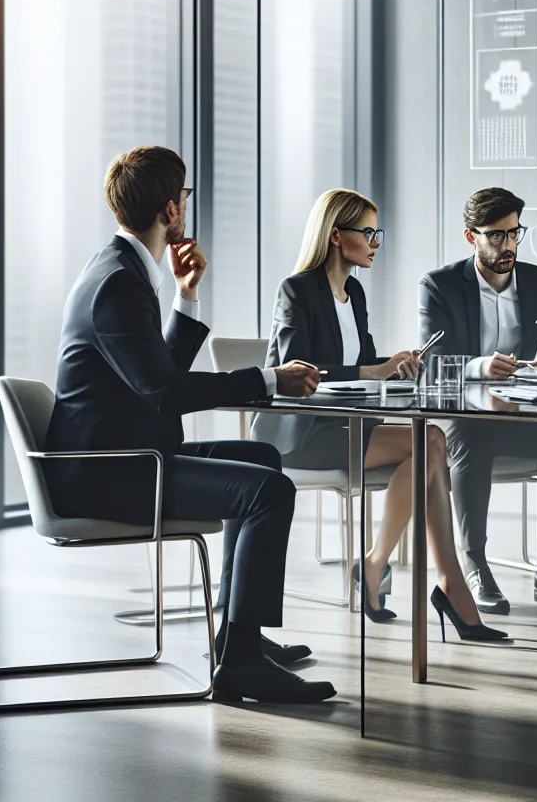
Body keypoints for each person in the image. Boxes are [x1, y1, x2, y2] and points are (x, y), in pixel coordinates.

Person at [44, 146, 334, 704]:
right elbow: (166, 392)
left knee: (262, 460)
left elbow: (155, 380)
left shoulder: (117, 268)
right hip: (113, 472)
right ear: (172, 210)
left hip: (130, 453)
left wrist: (186, 295)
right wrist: (268, 379)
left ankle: (234, 635)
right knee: (270, 491)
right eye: (185, 196)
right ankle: (242, 663)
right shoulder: (118, 284)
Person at [253, 189, 506, 641]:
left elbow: (365, 366)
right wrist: (374, 369)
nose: (375, 242)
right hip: (302, 434)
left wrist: (398, 364)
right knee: (431, 443)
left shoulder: (354, 292)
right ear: (335, 236)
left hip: (349, 425)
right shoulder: (296, 291)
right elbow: (298, 373)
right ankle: (413, 577)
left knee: (429, 447)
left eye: (378, 233)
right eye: (367, 232)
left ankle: (386, 570)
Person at [419, 187, 537, 614]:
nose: (508, 245)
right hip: (465, 418)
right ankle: (474, 563)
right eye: (496, 236)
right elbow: (431, 360)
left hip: (519, 412)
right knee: (473, 434)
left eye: (515, 233)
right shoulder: (439, 286)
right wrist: (479, 366)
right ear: (470, 237)